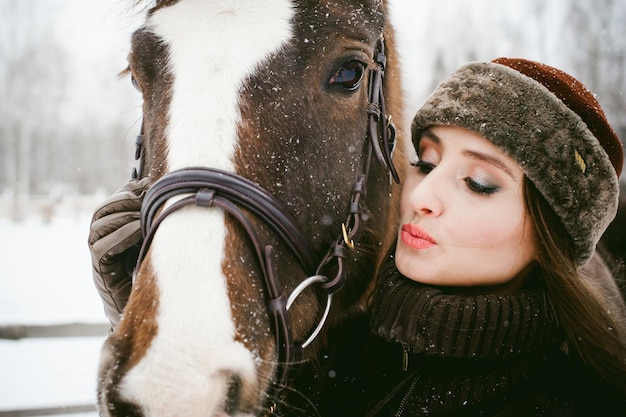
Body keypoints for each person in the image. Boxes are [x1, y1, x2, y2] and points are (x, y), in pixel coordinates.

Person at [88, 57, 626, 416]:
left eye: (479, 183)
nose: (419, 195)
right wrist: (146, 310)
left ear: (553, 236)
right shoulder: (337, 350)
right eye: (426, 160)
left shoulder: (579, 396)